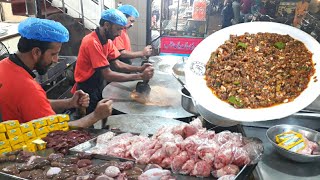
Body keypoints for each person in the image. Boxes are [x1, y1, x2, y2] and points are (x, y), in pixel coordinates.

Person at [0, 17, 113, 127]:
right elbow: (56, 133)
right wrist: (96, 116)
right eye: (53, 54)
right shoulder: (28, 88)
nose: (56, 60)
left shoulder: (4, 64)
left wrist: (69, 102)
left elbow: (36, 103)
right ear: (36, 52)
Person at [73, 9, 154, 115]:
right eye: (118, 29)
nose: (120, 34)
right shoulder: (92, 42)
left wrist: (139, 69)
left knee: (102, 116)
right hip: (87, 89)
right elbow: (107, 74)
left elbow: (117, 64)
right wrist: (140, 76)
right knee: (90, 121)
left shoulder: (107, 41)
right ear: (106, 25)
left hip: (98, 84)